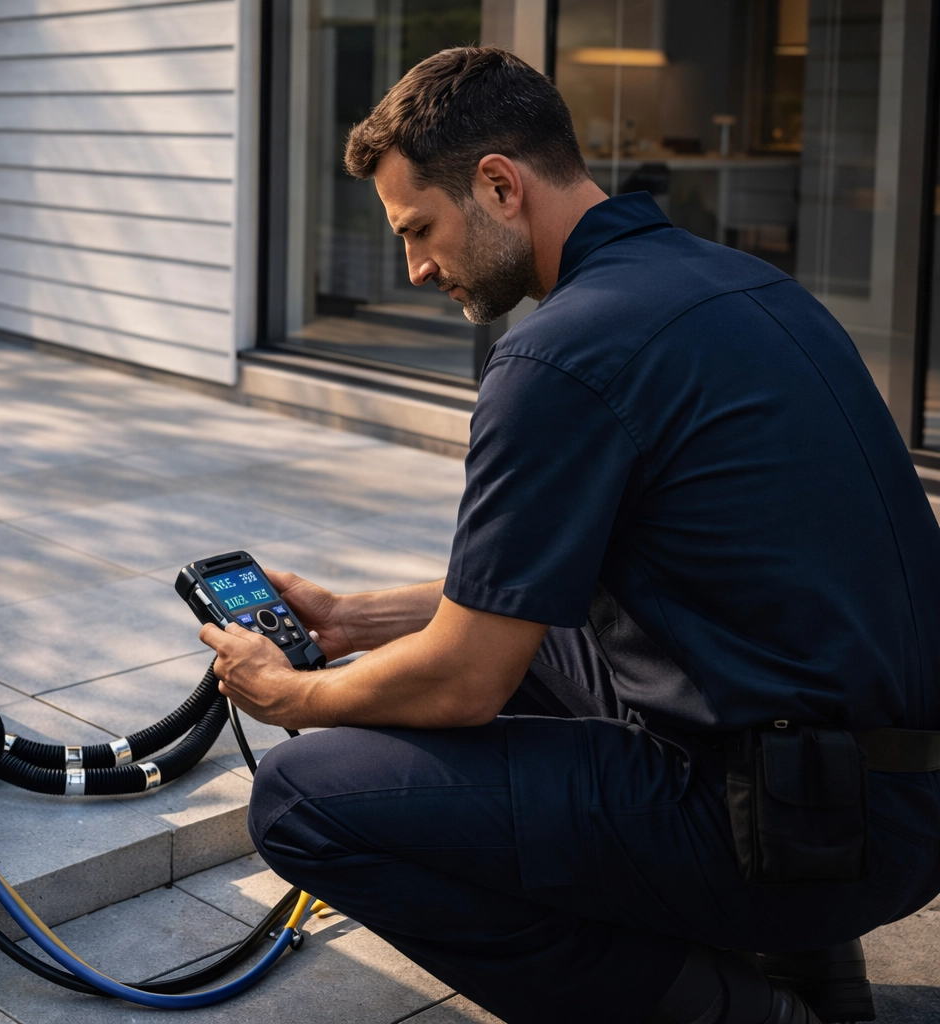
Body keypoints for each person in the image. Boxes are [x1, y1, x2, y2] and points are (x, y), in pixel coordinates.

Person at [200, 46, 940, 1024]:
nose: (417, 268)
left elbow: (466, 681)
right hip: (890, 798)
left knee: (301, 797)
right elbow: (522, 597)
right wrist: (349, 616)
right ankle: (815, 978)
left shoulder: (560, 354)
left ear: (499, 185)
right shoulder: (744, 287)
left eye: (419, 230)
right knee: (553, 631)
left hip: (786, 829)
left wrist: (298, 691)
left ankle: (743, 1014)